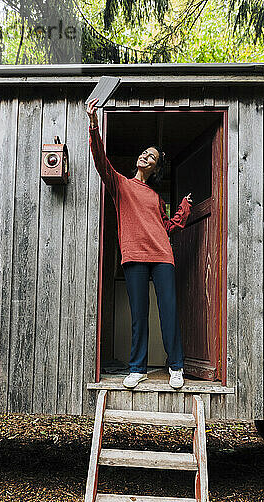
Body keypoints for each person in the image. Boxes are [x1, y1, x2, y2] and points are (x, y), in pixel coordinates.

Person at [87, 97, 193, 389]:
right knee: (139, 314)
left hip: (162, 256)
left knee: (169, 311)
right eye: (145, 153)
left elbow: (168, 227)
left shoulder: (156, 197)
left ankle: (176, 366)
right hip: (134, 255)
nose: (146, 156)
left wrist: (183, 208)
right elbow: (101, 161)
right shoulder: (121, 184)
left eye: (152, 157)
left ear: (155, 167)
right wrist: (94, 125)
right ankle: (137, 368)